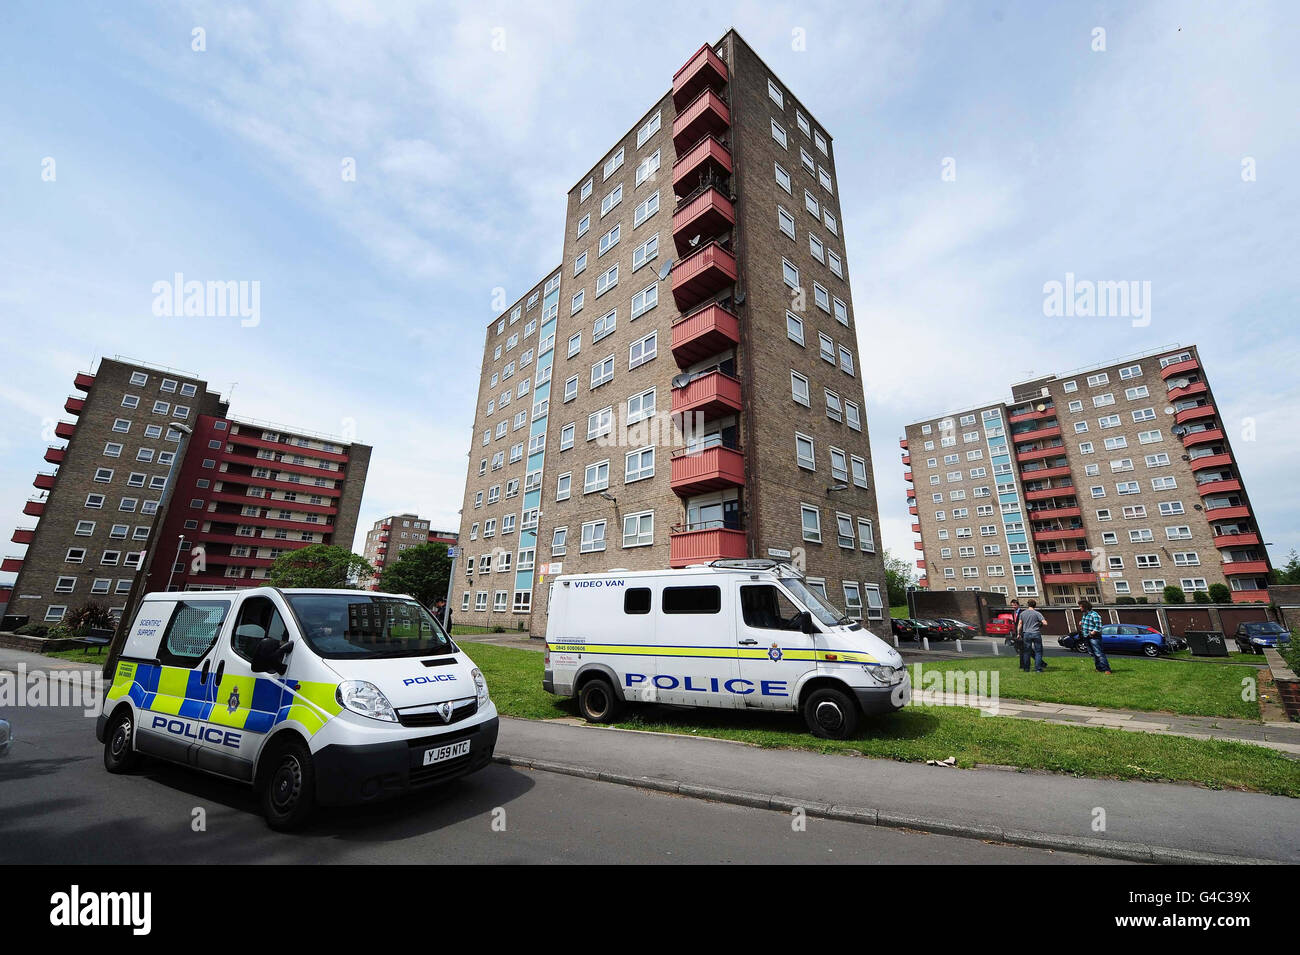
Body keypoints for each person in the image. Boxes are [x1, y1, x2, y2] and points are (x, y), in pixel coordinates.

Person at [1078, 599, 1111, 674]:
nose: (1079, 608)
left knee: (1098, 653)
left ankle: (1106, 669)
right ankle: (1099, 668)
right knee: (1092, 653)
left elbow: (1098, 626)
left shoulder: (1094, 615)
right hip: (1086, 636)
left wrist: (1093, 632)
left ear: (1085, 607)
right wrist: (1081, 622)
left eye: (1080, 606)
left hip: (1094, 637)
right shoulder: (1085, 615)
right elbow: (1088, 623)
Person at [1017, 599, 1047, 673]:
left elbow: (1020, 624)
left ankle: (1026, 669)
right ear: (1035, 605)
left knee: (1027, 651)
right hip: (1036, 633)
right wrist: (1039, 624)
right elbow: (1045, 623)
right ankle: (1038, 668)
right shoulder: (1037, 613)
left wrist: (1018, 633)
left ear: (1028, 605)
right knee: (1038, 651)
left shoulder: (1022, 614)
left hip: (1026, 633)